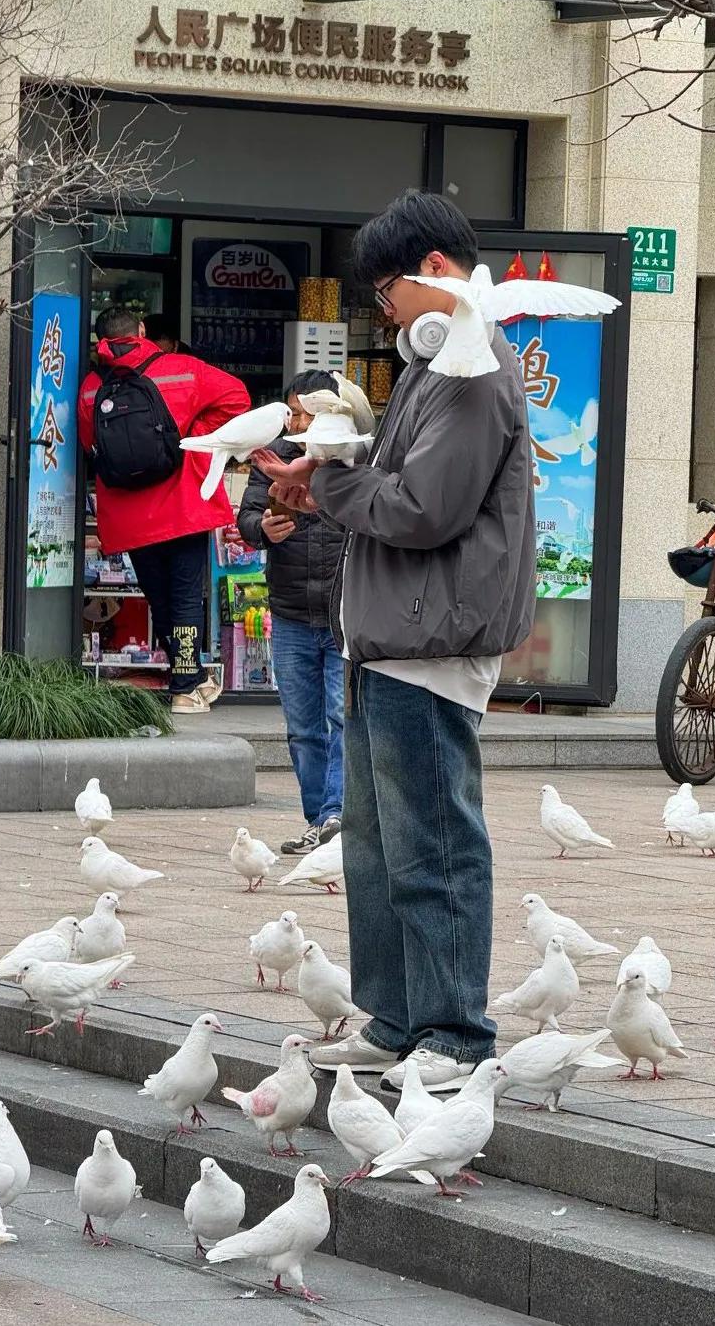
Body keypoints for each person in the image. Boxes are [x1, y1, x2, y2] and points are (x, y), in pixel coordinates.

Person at [254, 191, 536, 1090]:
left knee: (433, 843)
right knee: (375, 849)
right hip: (394, 634)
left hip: (432, 636)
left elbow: (422, 508)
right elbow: (397, 480)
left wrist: (328, 489)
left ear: (437, 274)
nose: (385, 312)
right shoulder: (436, 362)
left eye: (389, 293)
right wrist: (327, 469)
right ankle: (397, 1017)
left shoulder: (470, 368)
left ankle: (454, 1031)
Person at [78, 306, 250, 713]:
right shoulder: (183, 369)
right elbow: (238, 400)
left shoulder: (90, 387)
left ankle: (187, 676)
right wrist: (191, 439)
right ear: (141, 331)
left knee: (161, 598)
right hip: (183, 504)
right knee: (186, 596)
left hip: (128, 515)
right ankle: (187, 687)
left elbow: (90, 446)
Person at [237, 370, 345, 855]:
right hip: (290, 613)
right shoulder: (273, 457)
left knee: (342, 720)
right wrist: (261, 527)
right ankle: (317, 820)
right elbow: (245, 517)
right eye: (292, 412)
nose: (297, 422)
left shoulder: (350, 458)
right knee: (303, 728)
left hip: (345, 616)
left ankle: (338, 818)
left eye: (306, 413)